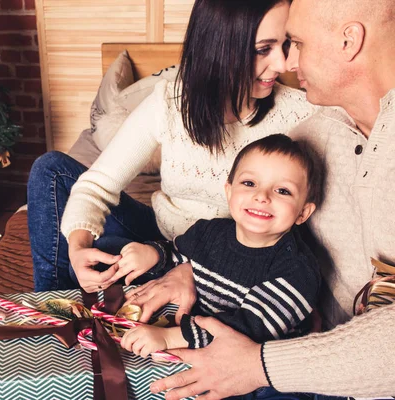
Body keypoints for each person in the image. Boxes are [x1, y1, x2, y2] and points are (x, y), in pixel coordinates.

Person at [142, 0, 395, 399]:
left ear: (349, 41)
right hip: (297, 351)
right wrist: (190, 267)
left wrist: (258, 366)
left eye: (295, 43)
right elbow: (253, 232)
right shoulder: (309, 136)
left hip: (295, 364)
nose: (287, 63)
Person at [27, 0, 316, 293]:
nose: (283, 65)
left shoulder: (301, 115)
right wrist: (77, 249)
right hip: (159, 237)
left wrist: (190, 269)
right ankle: (52, 306)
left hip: (234, 256)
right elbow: (97, 186)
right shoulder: (170, 102)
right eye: (263, 49)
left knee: (121, 263)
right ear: (219, 45)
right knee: (51, 170)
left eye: (287, 44)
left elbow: (297, 234)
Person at [119, 134, 322, 362]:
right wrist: (153, 253)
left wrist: (168, 338)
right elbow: (178, 254)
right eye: (249, 183)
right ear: (229, 192)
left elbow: (248, 329)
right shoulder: (210, 232)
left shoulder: (296, 271)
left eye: (282, 191)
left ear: (303, 213)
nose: (261, 196)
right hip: (194, 337)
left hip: (253, 366)